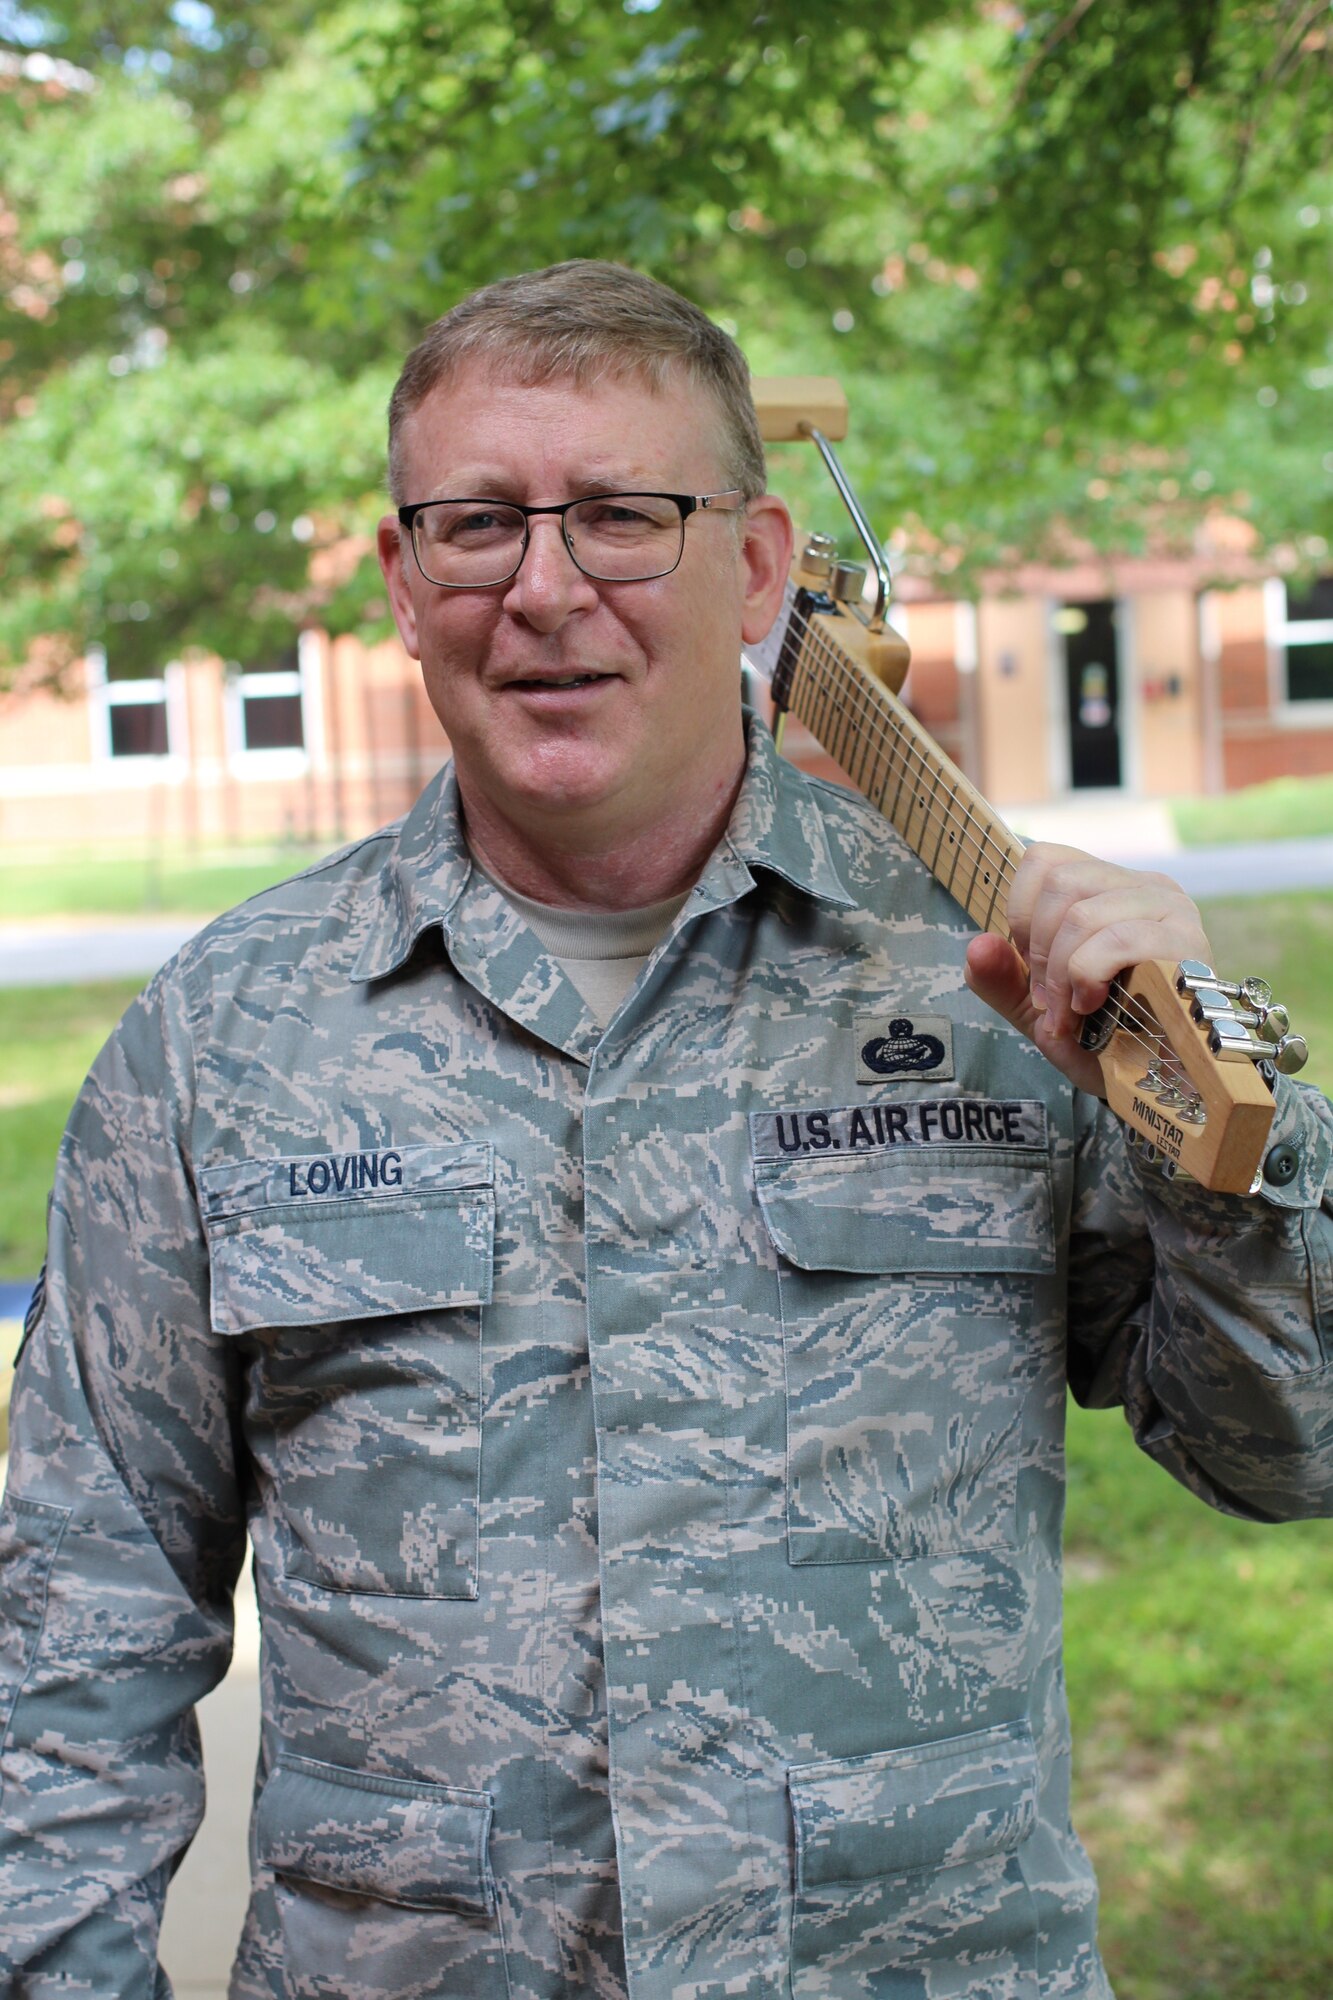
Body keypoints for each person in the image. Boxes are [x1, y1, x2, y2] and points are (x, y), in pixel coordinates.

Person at [1, 261, 1329, 2000]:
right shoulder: (223, 1040)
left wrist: (1213, 1134)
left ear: (760, 566)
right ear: (404, 583)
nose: (546, 591)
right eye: (478, 525)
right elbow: (71, 1640)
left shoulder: (999, 980)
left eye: (624, 517)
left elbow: (1287, 1452)